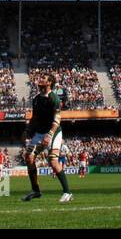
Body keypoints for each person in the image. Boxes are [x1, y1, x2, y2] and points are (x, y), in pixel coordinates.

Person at [22, 74, 72, 203]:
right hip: (39, 133)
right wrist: (27, 130)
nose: (39, 80)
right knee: (29, 157)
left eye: (43, 78)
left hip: (53, 132)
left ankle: (67, 192)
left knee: (53, 161)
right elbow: (34, 118)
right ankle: (36, 190)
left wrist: (49, 134)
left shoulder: (54, 98)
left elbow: (57, 119)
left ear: (49, 83)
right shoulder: (36, 99)